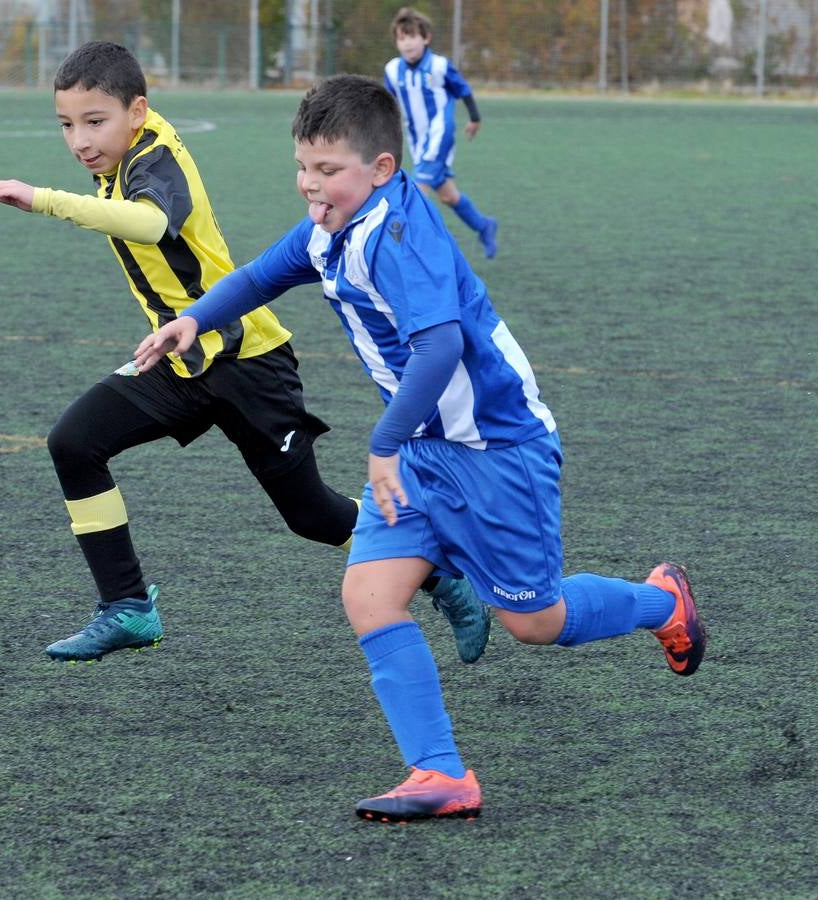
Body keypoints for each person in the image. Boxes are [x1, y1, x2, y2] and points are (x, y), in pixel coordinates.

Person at [134, 75, 707, 822]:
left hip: (495, 449)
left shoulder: (402, 238)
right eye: (303, 166)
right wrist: (195, 319)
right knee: (368, 595)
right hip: (419, 451)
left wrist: (384, 441)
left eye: (328, 170)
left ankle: (663, 602)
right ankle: (440, 774)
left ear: (379, 169)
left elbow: (440, 348)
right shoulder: (333, 223)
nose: (311, 184)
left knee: (535, 623)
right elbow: (265, 273)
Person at [0, 42, 488, 664]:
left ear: (137, 111)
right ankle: (128, 606)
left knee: (313, 516)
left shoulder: (157, 155)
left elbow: (149, 224)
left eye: (94, 122)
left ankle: (435, 569)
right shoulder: (119, 151)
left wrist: (44, 199)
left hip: (250, 363)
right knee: (73, 442)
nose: (80, 140)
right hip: (181, 354)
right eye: (66, 125)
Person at [384, 7, 498, 259]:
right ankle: (484, 225)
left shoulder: (439, 66)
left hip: (440, 134)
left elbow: (463, 89)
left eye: (412, 36)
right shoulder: (392, 70)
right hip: (417, 140)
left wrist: (475, 117)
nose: (407, 43)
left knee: (415, 193)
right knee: (448, 195)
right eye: (402, 38)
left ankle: (405, 253)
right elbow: (388, 101)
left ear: (426, 38)